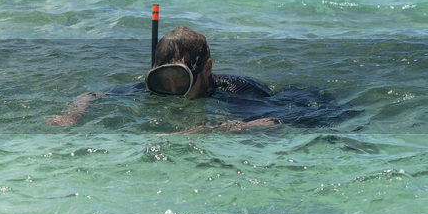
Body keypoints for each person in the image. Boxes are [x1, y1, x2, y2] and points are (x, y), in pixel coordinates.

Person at [46, 25, 281, 130]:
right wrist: (74, 113)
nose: (170, 88)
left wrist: (217, 128)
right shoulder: (153, 89)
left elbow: (272, 122)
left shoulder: (239, 91)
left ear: (206, 68)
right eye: (162, 78)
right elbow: (91, 95)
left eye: (179, 79)